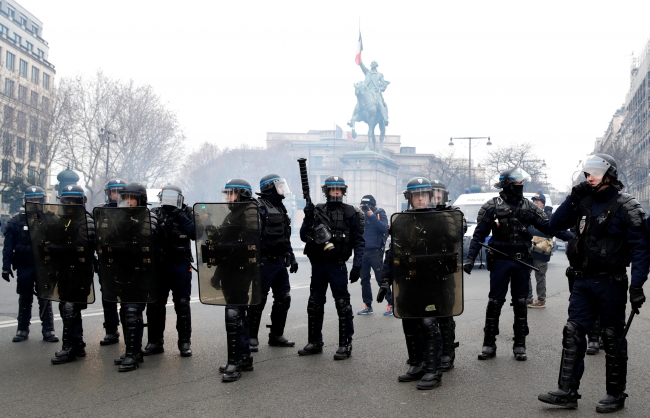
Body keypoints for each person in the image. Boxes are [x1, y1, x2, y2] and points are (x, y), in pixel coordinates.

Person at [538, 154, 649, 413]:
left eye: (595, 173)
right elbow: (554, 224)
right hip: (582, 280)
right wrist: (572, 198)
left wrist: (637, 286)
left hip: (611, 282)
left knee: (613, 337)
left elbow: (642, 249)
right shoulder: (582, 201)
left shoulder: (626, 205)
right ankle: (567, 391)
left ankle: (615, 393)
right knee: (573, 332)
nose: (589, 177)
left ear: (609, 175)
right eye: (587, 173)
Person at [464, 167, 573, 362]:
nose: (520, 186)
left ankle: (520, 343)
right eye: (517, 183)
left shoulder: (529, 207)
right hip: (500, 260)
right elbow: (478, 235)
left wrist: (572, 237)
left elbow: (549, 226)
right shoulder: (491, 206)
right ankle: (489, 343)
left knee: (521, 302)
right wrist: (471, 258)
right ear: (507, 184)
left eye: (522, 182)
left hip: (522, 260)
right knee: (495, 302)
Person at [377, 178, 463, 389]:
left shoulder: (442, 219)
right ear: (410, 198)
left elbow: (454, 244)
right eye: (417, 195)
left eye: (424, 195)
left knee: (429, 323)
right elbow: (393, 252)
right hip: (409, 279)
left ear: (431, 196)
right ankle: (416, 364)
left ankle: (434, 371)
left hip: (434, 280)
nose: (421, 199)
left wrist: (450, 221)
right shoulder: (402, 220)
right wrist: (385, 280)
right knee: (409, 320)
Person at [298, 175, 364, 360]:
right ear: (326, 191)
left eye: (339, 189)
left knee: (342, 305)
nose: (336, 192)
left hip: (337, 264)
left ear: (343, 191)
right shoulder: (317, 210)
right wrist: (307, 218)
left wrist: (357, 265)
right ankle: (315, 342)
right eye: (332, 189)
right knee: (315, 304)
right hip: (318, 264)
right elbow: (304, 236)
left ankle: (345, 344)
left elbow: (359, 241)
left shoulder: (351, 213)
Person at [110, 182, 158, 372]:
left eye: (132, 198)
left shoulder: (148, 218)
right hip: (122, 270)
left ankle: (132, 355)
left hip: (141, 271)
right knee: (125, 311)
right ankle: (134, 350)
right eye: (125, 198)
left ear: (141, 200)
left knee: (132, 311)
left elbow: (148, 239)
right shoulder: (117, 219)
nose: (128, 202)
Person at [143, 185, 195, 358]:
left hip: (180, 264)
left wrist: (179, 214)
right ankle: (155, 341)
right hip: (159, 265)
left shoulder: (187, 211)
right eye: (167, 197)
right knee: (155, 304)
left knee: (182, 304)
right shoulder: (155, 213)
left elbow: (196, 233)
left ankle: (184, 342)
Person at [215, 179, 259, 382]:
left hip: (241, 268)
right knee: (238, 312)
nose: (228, 198)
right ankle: (243, 357)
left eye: (231, 194)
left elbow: (249, 239)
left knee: (234, 313)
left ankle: (236, 362)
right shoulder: (235, 212)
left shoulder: (249, 210)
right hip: (230, 268)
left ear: (242, 194)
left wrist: (225, 246)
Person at [248, 174, 298, 352]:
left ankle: (276, 335)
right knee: (258, 300)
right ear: (270, 188)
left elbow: (285, 236)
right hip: (263, 262)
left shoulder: (280, 207)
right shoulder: (258, 208)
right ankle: (251, 337)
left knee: (284, 298)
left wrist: (290, 256)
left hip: (279, 263)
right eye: (280, 186)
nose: (283, 189)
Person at [2, 186, 58, 343]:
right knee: (25, 298)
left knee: (45, 298)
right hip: (24, 265)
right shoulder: (16, 220)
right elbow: (8, 246)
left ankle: (48, 330)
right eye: (31, 200)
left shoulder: (50, 219)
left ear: (42, 201)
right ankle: (22, 329)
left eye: (37, 200)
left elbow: (58, 243)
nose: (34, 202)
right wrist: (5, 267)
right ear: (25, 201)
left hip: (44, 266)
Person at [50, 185, 96, 364]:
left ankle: (68, 348)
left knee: (71, 308)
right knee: (66, 308)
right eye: (66, 201)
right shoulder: (59, 221)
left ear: (81, 202)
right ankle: (78, 344)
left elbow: (83, 246)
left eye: (73, 201)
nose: (70, 204)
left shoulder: (87, 221)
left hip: (80, 271)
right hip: (63, 270)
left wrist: (59, 248)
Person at [95, 178, 125, 346]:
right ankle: (111, 331)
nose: (116, 195)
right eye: (113, 191)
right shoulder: (101, 211)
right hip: (106, 261)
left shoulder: (131, 211)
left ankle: (130, 331)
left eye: (120, 191)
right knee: (108, 297)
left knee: (128, 299)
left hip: (125, 261)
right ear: (108, 193)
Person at [356, 194, 390, 316]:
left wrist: (372, 216)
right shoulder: (358, 215)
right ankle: (367, 305)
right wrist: (358, 213)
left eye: (368, 206)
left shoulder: (380, 213)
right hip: (362, 251)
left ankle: (390, 304)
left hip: (375, 251)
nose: (366, 208)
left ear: (373, 205)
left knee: (381, 278)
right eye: (364, 206)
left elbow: (384, 229)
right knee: (364, 280)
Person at [527, 190, 555, 309]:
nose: (535, 203)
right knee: (525, 275)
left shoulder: (548, 215)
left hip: (541, 252)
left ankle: (541, 300)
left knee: (540, 276)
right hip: (528, 250)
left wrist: (531, 232)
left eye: (538, 201)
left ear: (543, 203)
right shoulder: (528, 214)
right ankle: (528, 297)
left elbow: (549, 232)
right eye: (534, 201)